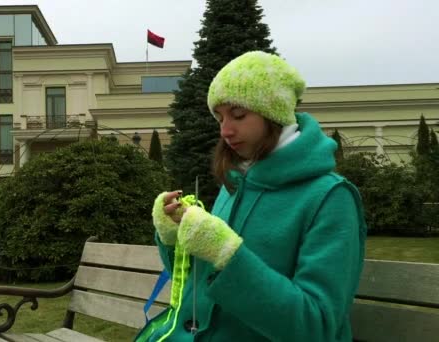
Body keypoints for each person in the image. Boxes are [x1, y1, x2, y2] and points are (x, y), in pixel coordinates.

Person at [136, 51, 367, 341]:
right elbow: (200, 285)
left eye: (239, 115)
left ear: (275, 113)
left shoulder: (331, 198)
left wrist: (226, 254)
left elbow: (317, 326)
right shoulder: (236, 180)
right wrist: (173, 238)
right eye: (219, 117)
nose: (225, 131)